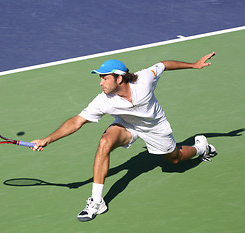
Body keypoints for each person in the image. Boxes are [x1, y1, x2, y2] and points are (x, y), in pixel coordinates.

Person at [31, 52, 217, 222]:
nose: (100, 82)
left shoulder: (143, 80)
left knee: (175, 160)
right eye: (100, 78)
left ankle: (202, 148)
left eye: (105, 77)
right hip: (127, 124)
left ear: (119, 78)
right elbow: (77, 121)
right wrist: (47, 139)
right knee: (105, 142)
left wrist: (194, 65)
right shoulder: (103, 100)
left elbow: (164, 64)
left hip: (154, 127)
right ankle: (97, 202)